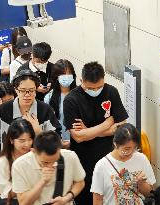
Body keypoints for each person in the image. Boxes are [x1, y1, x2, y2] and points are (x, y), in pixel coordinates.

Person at [0, 69, 62, 195]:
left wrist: (38, 132)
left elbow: (56, 143)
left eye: (32, 91)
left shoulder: (45, 111)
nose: (27, 95)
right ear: (16, 89)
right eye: (23, 91)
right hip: (8, 170)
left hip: (37, 172)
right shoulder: (4, 111)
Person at [63, 61, 129, 205]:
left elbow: (122, 127)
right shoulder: (71, 100)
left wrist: (88, 131)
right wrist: (106, 125)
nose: (96, 90)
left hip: (110, 159)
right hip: (84, 163)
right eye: (91, 88)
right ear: (81, 81)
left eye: (99, 87)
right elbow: (78, 137)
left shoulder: (111, 92)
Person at [12, 131, 86, 205]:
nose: (51, 165)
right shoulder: (20, 165)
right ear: (33, 151)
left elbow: (80, 182)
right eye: (45, 162)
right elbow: (23, 202)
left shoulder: (70, 156)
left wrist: (66, 199)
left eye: (55, 160)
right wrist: (43, 182)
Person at [91, 123, 156, 205]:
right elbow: (97, 200)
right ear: (115, 143)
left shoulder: (141, 159)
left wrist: (141, 183)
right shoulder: (101, 166)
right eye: (127, 148)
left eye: (135, 147)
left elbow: (150, 194)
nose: (131, 152)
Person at [0, 118, 35, 204]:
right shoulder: (3, 161)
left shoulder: (35, 156)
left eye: (30, 139)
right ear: (11, 140)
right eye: (22, 141)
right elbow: (6, 193)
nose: (27, 144)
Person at [44, 59, 77, 147]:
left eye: (68, 73)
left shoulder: (80, 95)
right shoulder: (49, 98)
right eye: (62, 74)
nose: (66, 76)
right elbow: (47, 125)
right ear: (56, 76)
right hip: (57, 144)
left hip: (79, 142)